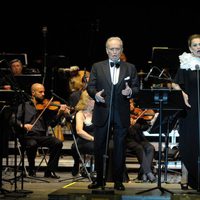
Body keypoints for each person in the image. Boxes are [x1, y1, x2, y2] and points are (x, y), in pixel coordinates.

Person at [87, 36, 139, 190]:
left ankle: (118, 180)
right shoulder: (97, 66)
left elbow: (136, 88)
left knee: (120, 147)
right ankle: (99, 179)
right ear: (107, 50)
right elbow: (90, 86)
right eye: (112, 49)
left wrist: (130, 92)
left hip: (121, 114)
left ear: (122, 50)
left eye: (118, 49)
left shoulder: (130, 67)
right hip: (102, 112)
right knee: (99, 147)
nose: (115, 52)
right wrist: (95, 94)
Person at [14, 83, 70, 178]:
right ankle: (31, 169)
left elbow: (52, 124)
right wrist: (23, 125)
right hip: (27, 136)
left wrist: (59, 113)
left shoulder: (46, 107)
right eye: (40, 92)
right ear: (33, 93)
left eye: (44, 91)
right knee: (32, 144)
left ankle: (50, 171)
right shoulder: (24, 106)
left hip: (41, 136)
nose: (43, 94)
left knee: (57, 143)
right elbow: (14, 119)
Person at [171, 34, 200, 190]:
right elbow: (174, 84)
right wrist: (181, 92)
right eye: (195, 45)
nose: (198, 47)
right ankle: (185, 177)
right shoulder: (186, 63)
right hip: (189, 110)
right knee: (188, 143)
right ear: (190, 48)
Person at [126, 100, 156, 182]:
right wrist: (129, 124)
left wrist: (140, 124)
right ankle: (148, 173)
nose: (132, 106)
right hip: (128, 140)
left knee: (150, 147)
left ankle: (143, 173)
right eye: (129, 103)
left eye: (132, 103)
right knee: (139, 148)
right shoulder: (122, 114)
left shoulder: (138, 114)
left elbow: (145, 127)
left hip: (139, 139)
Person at [71, 90, 95, 176]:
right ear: (87, 101)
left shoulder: (96, 112)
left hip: (95, 138)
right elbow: (79, 131)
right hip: (84, 139)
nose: (95, 101)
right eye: (93, 100)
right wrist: (92, 138)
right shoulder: (80, 114)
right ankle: (77, 164)